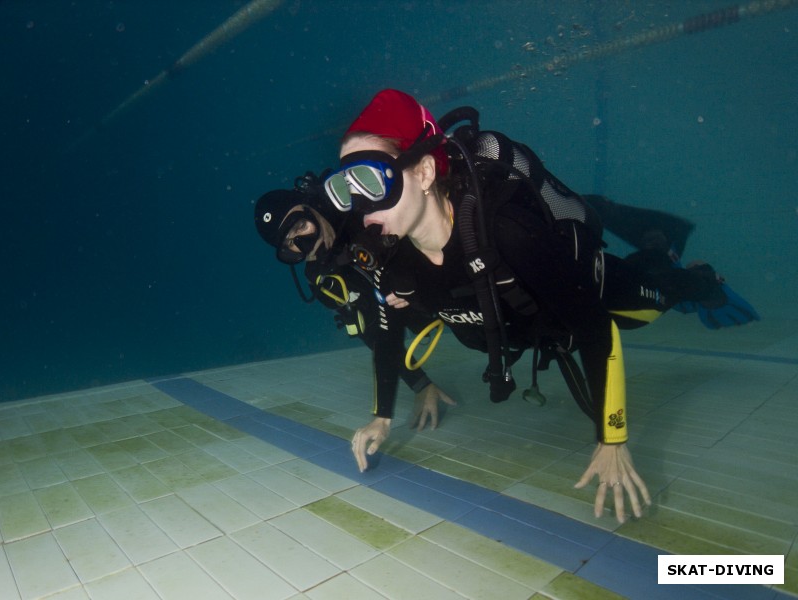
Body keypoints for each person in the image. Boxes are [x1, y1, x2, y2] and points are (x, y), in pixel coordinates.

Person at [323, 89, 759, 522]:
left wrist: (612, 439)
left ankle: (694, 275)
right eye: (344, 188)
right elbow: (386, 332)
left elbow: (593, 326)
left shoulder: (507, 232)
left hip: (593, 293)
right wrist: (381, 418)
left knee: (658, 300)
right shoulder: (393, 261)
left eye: (371, 179)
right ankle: (661, 258)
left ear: (421, 173)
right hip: (533, 328)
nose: (359, 206)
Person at [254, 175, 456, 431]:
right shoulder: (323, 279)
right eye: (289, 245)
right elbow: (371, 331)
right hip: (421, 314)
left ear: (310, 208)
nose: (304, 244)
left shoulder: (362, 215)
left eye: (300, 226)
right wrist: (420, 385)